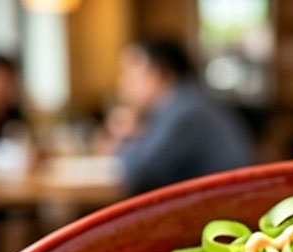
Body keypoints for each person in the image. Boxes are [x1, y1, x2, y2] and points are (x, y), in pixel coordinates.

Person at [102, 38, 253, 195]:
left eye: (129, 75)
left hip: (218, 205)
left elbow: (138, 172)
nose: (123, 83)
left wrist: (122, 141)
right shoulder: (180, 103)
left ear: (158, 74)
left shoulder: (185, 112)